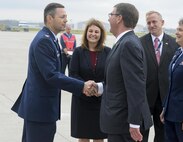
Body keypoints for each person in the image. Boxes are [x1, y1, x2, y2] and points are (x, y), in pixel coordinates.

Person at [11, 3, 97, 142]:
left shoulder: (51, 39)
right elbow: (51, 75)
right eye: (62, 17)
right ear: (49, 18)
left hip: (41, 109)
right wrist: (82, 86)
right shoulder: (43, 41)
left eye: (66, 17)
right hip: (40, 111)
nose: (66, 20)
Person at [98, 3, 152, 142]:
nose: (109, 19)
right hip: (120, 123)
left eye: (111, 15)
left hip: (126, 125)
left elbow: (136, 86)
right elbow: (119, 81)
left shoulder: (128, 44)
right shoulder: (123, 42)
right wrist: (99, 87)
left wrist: (134, 123)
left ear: (119, 18)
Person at [69, 18, 111, 142]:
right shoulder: (78, 52)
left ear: (101, 34)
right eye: (90, 31)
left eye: (96, 32)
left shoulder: (108, 52)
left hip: (100, 101)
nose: (93, 34)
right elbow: (73, 74)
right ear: (86, 33)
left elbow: (111, 76)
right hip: (82, 100)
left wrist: (98, 87)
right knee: (83, 136)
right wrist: (85, 87)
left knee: (99, 136)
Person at [139, 11, 178, 142]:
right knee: (141, 133)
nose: (151, 25)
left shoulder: (174, 43)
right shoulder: (139, 43)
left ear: (162, 22)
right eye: (149, 22)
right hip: (144, 96)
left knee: (162, 135)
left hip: (165, 98)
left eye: (154, 21)